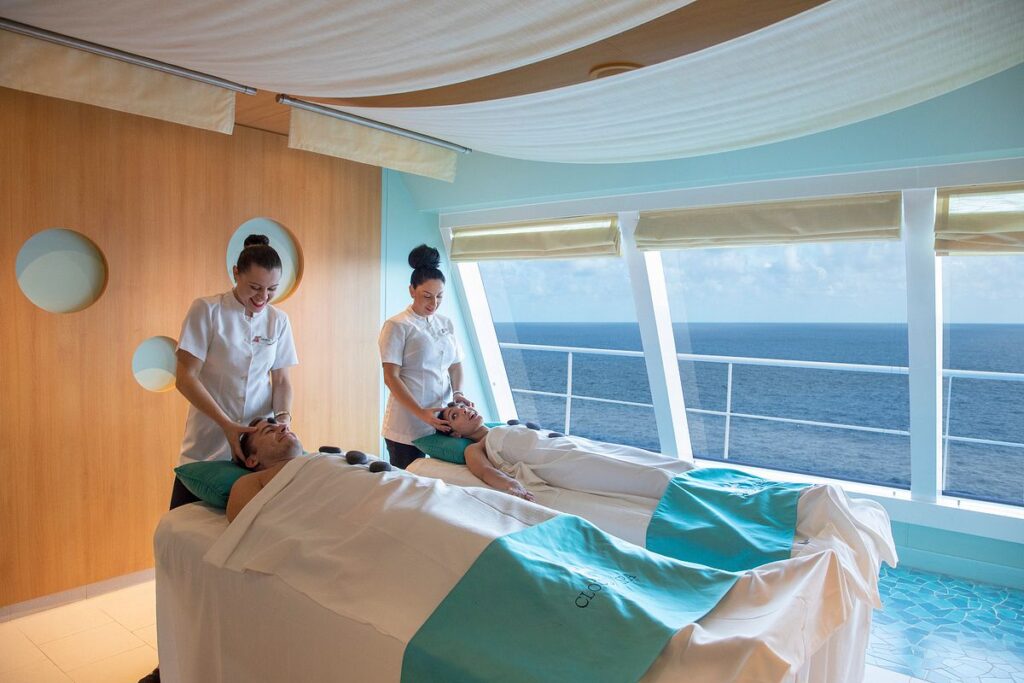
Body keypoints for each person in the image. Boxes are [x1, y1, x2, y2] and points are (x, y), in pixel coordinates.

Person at [140, 235, 299, 683]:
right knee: (178, 560)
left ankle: (224, 657)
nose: (261, 298)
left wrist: (282, 419)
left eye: (270, 290)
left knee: (240, 560)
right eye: (254, 289)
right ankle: (169, 657)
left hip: (256, 450)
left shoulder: (278, 320)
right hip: (208, 444)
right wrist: (227, 425)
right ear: (235, 275)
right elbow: (185, 377)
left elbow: (281, 378)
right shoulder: (207, 310)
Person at [378, 244, 472, 469]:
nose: (434, 303)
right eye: (427, 296)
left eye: (440, 296)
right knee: (408, 486)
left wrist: (457, 393)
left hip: (443, 421)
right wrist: (421, 414)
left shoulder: (445, 322)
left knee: (440, 482)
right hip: (407, 425)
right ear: (412, 290)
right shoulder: (397, 325)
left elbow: (455, 364)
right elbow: (391, 377)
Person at [226, 417, 303, 522]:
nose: (284, 426)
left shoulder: (318, 459)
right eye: (269, 430)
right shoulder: (250, 482)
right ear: (252, 460)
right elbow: (246, 528)